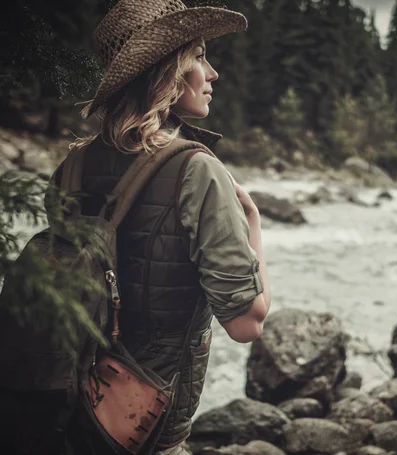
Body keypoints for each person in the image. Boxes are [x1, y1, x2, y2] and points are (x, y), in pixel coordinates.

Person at [44, 0, 271, 453]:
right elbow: (247, 323)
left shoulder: (71, 168)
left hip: (71, 413)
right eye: (200, 56)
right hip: (146, 425)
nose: (213, 74)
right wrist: (253, 222)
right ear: (170, 71)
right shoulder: (197, 171)